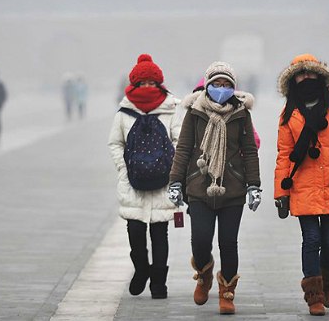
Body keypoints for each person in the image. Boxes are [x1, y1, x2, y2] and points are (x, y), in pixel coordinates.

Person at [168, 61, 261, 315]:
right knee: (200, 241)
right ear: (208, 86)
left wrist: (254, 185)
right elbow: (184, 149)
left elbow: (250, 151)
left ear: (233, 88)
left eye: (226, 84)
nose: (221, 88)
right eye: (217, 84)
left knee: (228, 242)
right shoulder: (195, 112)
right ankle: (204, 273)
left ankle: (227, 292)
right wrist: (175, 181)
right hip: (199, 187)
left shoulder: (241, 114)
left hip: (232, 188)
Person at [274, 54, 329, 317]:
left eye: (310, 74)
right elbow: (284, 153)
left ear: (320, 76)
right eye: (301, 74)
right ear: (293, 79)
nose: (306, 79)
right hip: (303, 185)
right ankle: (314, 296)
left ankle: (327, 282)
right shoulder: (289, 113)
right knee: (311, 240)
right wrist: (281, 193)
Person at [108, 54, 181, 299]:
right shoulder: (124, 112)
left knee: (160, 233)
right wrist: (123, 167)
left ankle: (159, 283)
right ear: (135, 85)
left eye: (152, 82)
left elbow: (180, 141)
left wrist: (171, 168)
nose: (148, 87)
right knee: (136, 233)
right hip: (133, 183)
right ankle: (141, 269)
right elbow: (115, 143)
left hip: (162, 182)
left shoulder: (171, 109)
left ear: (159, 84)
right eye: (143, 83)